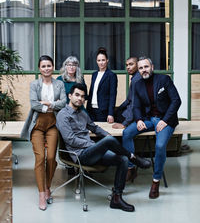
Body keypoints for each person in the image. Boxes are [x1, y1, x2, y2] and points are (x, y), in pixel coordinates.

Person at [56, 83, 151, 212]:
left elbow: (94, 128)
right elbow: (70, 139)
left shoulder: (82, 113)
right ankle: (133, 158)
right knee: (109, 142)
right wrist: (98, 144)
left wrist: (108, 137)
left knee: (122, 159)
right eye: (77, 95)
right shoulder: (63, 115)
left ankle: (117, 198)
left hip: (92, 151)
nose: (80, 99)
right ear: (70, 96)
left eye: (83, 97)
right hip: (80, 155)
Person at [122, 56, 181, 199]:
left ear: (152, 67)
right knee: (127, 133)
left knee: (160, 146)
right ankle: (131, 167)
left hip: (165, 120)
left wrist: (165, 120)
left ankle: (156, 181)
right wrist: (138, 119)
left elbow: (176, 101)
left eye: (146, 67)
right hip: (149, 120)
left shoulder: (164, 80)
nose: (143, 70)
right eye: (141, 68)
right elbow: (136, 106)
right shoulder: (137, 85)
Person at [21, 55, 66, 211]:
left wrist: (47, 103)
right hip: (37, 126)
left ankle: (47, 186)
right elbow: (34, 104)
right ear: (39, 68)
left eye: (49, 65)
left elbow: (64, 102)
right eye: (43, 66)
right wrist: (51, 106)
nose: (46, 68)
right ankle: (41, 193)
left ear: (52, 67)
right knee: (40, 158)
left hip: (53, 124)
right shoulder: (34, 84)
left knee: (52, 157)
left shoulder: (59, 84)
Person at [113, 56, 142, 182]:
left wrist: (124, 123)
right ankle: (121, 161)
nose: (128, 67)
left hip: (140, 115)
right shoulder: (134, 79)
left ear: (137, 65)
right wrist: (116, 111)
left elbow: (135, 104)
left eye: (131, 64)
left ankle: (130, 167)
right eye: (126, 65)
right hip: (132, 111)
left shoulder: (137, 80)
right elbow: (129, 100)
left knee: (125, 134)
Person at [87, 47, 117, 123]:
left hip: (103, 111)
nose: (101, 62)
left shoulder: (111, 75)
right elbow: (91, 92)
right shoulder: (94, 74)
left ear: (107, 60)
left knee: (102, 133)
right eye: (99, 60)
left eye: (103, 60)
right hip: (91, 110)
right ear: (96, 61)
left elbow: (112, 95)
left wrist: (110, 113)